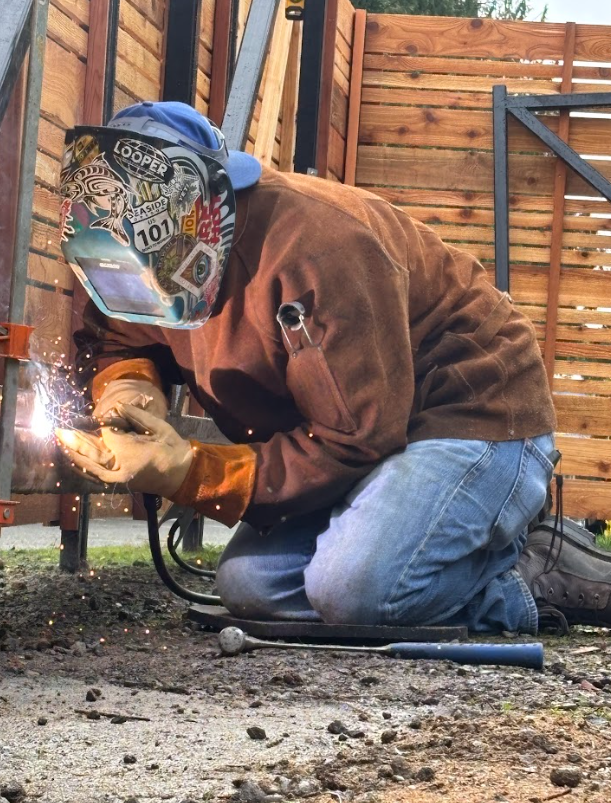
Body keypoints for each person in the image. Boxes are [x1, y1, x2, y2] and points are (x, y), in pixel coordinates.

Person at [56, 101, 611, 634]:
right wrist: (126, 393)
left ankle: (528, 570)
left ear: (199, 216)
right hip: (369, 433)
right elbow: (117, 335)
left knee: (355, 590)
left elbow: (358, 437)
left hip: (471, 419)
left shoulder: (320, 248)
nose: (138, 286)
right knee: (249, 584)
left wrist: (187, 471)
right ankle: (431, 547)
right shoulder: (137, 243)